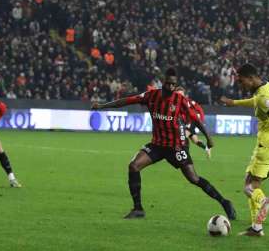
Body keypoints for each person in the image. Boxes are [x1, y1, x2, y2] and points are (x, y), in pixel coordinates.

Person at [91, 68, 236, 220]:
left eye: (174, 84)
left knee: (194, 178)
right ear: (163, 82)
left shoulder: (180, 101)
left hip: (176, 146)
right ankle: (138, 209)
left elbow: (195, 119)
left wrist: (209, 138)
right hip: (157, 145)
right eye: (168, 83)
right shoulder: (151, 96)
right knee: (133, 166)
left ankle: (225, 202)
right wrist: (102, 106)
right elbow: (126, 101)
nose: (171, 87)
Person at [220, 64, 269, 237]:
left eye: (242, 81)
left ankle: (262, 201)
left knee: (249, 187)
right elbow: (256, 101)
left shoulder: (262, 96)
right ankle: (256, 227)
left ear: (251, 78)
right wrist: (234, 103)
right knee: (250, 181)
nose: (241, 85)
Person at [176, 86, 211, 159]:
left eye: (181, 94)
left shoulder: (188, 101)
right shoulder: (176, 103)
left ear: (184, 95)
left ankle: (184, 156)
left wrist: (201, 120)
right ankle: (207, 148)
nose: (179, 96)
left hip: (191, 122)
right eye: (178, 94)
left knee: (183, 137)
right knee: (195, 141)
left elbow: (199, 109)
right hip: (186, 123)